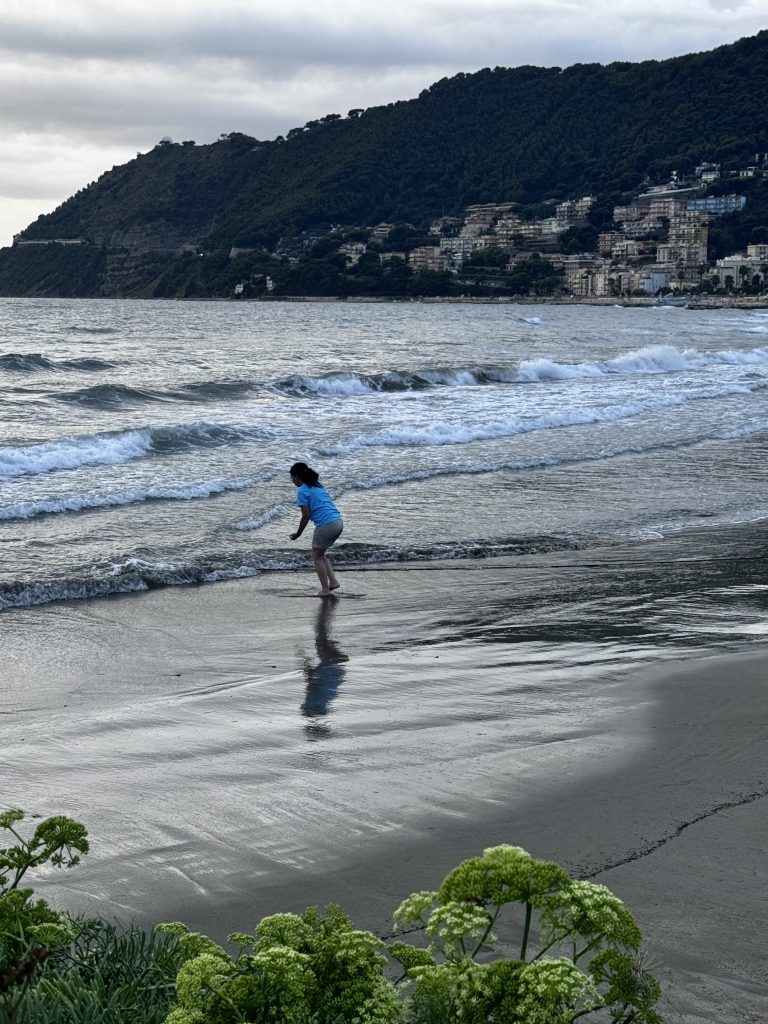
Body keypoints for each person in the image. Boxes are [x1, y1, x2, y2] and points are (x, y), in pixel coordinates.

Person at [289, 462, 343, 595]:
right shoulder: (318, 486)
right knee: (320, 555)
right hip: (338, 522)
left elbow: (305, 516)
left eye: (292, 478)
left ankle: (325, 589)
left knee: (316, 557)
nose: (292, 481)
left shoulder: (302, 490)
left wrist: (298, 534)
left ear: (297, 476)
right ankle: (333, 582)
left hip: (326, 525)